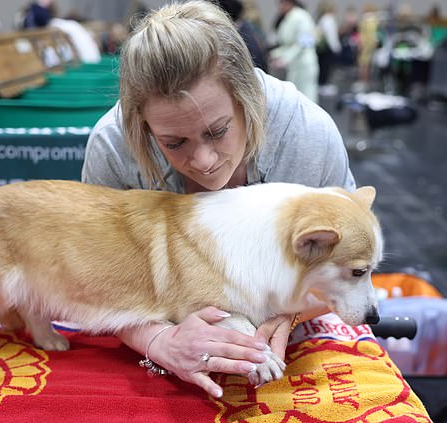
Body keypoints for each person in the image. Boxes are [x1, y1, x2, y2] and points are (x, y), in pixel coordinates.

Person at [82, 1, 354, 398]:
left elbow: (350, 265)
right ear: (141, 126)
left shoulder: (305, 136)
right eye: (173, 143)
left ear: (248, 98)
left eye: (217, 131)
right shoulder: (113, 149)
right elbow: (97, 281)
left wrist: (294, 312)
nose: (204, 163)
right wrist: (159, 343)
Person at [269, 0, 319, 102]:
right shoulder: (288, 17)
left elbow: (305, 42)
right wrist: (275, 54)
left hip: (304, 64)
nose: (280, 6)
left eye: (281, 3)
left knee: (307, 99)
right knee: (296, 100)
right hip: (294, 65)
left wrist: (285, 59)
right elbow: (287, 44)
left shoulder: (301, 16)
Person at [315, 0, 341, 96]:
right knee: (325, 67)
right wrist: (336, 48)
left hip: (322, 49)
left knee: (322, 66)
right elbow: (331, 35)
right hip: (326, 48)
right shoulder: (328, 19)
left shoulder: (322, 18)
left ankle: (321, 84)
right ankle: (323, 85)